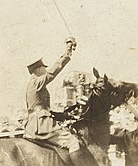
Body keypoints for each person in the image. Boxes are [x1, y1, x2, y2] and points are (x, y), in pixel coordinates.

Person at [25, 37, 98, 166]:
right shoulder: (37, 81)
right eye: (43, 68)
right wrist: (68, 51)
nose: (45, 70)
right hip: (42, 126)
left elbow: (40, 109)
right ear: (37, 70)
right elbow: (54, 71)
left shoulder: (33, 86)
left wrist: (62, 115)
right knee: (73, 142)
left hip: (34, 125)